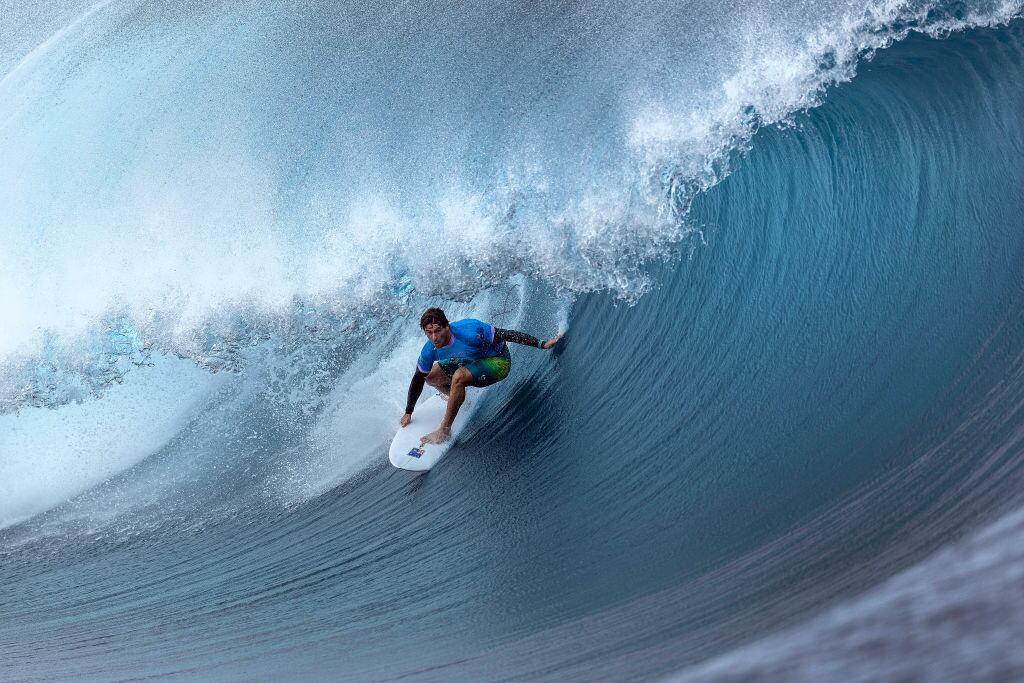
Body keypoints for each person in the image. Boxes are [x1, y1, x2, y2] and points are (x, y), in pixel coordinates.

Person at [400, 307, 562, 444]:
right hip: (469, 361)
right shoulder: (429, 350)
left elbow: (506, 335)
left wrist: (542, 344)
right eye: (429, 332)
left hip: (497, 362)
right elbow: (418, 377)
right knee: (430, 375)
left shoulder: (470, 330)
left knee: (458, 376)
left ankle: (444, 430)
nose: (434, 337)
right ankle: (456, 397)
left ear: (447, 327)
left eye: (437, 331)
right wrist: (409, 411)